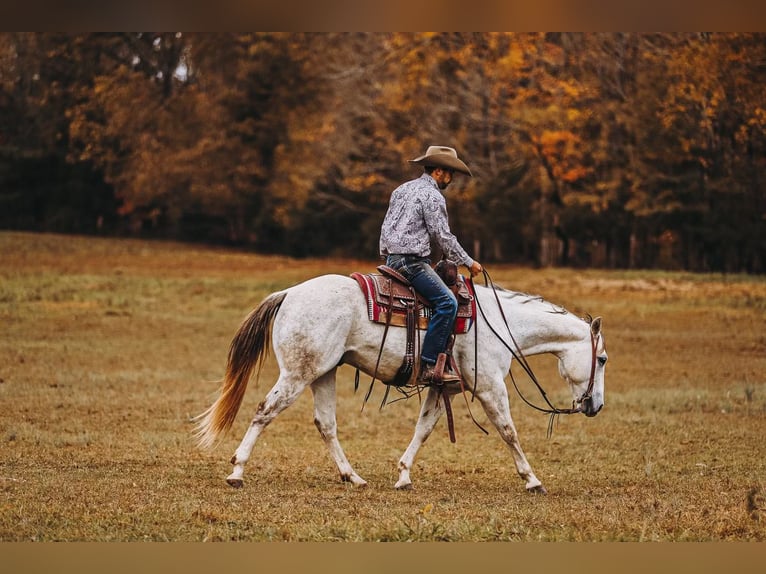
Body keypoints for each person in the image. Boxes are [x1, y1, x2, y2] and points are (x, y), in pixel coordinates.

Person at [379, 145, 483, 384]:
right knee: (447, 303)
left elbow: (386, 227)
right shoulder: (433, 196)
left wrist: (386, 255)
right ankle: (428, 364)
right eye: (450, 173)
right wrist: (469, 262)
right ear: (438, 171)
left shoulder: (401, 189)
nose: (451, 178)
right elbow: (443, 236)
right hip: (411, 263)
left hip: (392, 260)